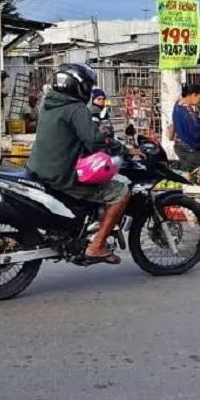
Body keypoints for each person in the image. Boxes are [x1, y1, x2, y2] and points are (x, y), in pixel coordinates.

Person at [26, 63, 141, 265]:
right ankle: (97, 246)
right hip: (62, 176)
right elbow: (94, 140)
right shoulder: (76, 108)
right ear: (79, 86)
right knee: (120, 192)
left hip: (38, 169)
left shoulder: (48, 104)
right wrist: (123, 149)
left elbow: (71, 137)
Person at [172, 84, 200, 185]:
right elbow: (196, 132)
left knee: (186, 173)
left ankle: (185, 197)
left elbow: (172, 126)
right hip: (190, 148)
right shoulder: (189, 112)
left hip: (179, 146)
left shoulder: (177, 106)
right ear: (193, 95)